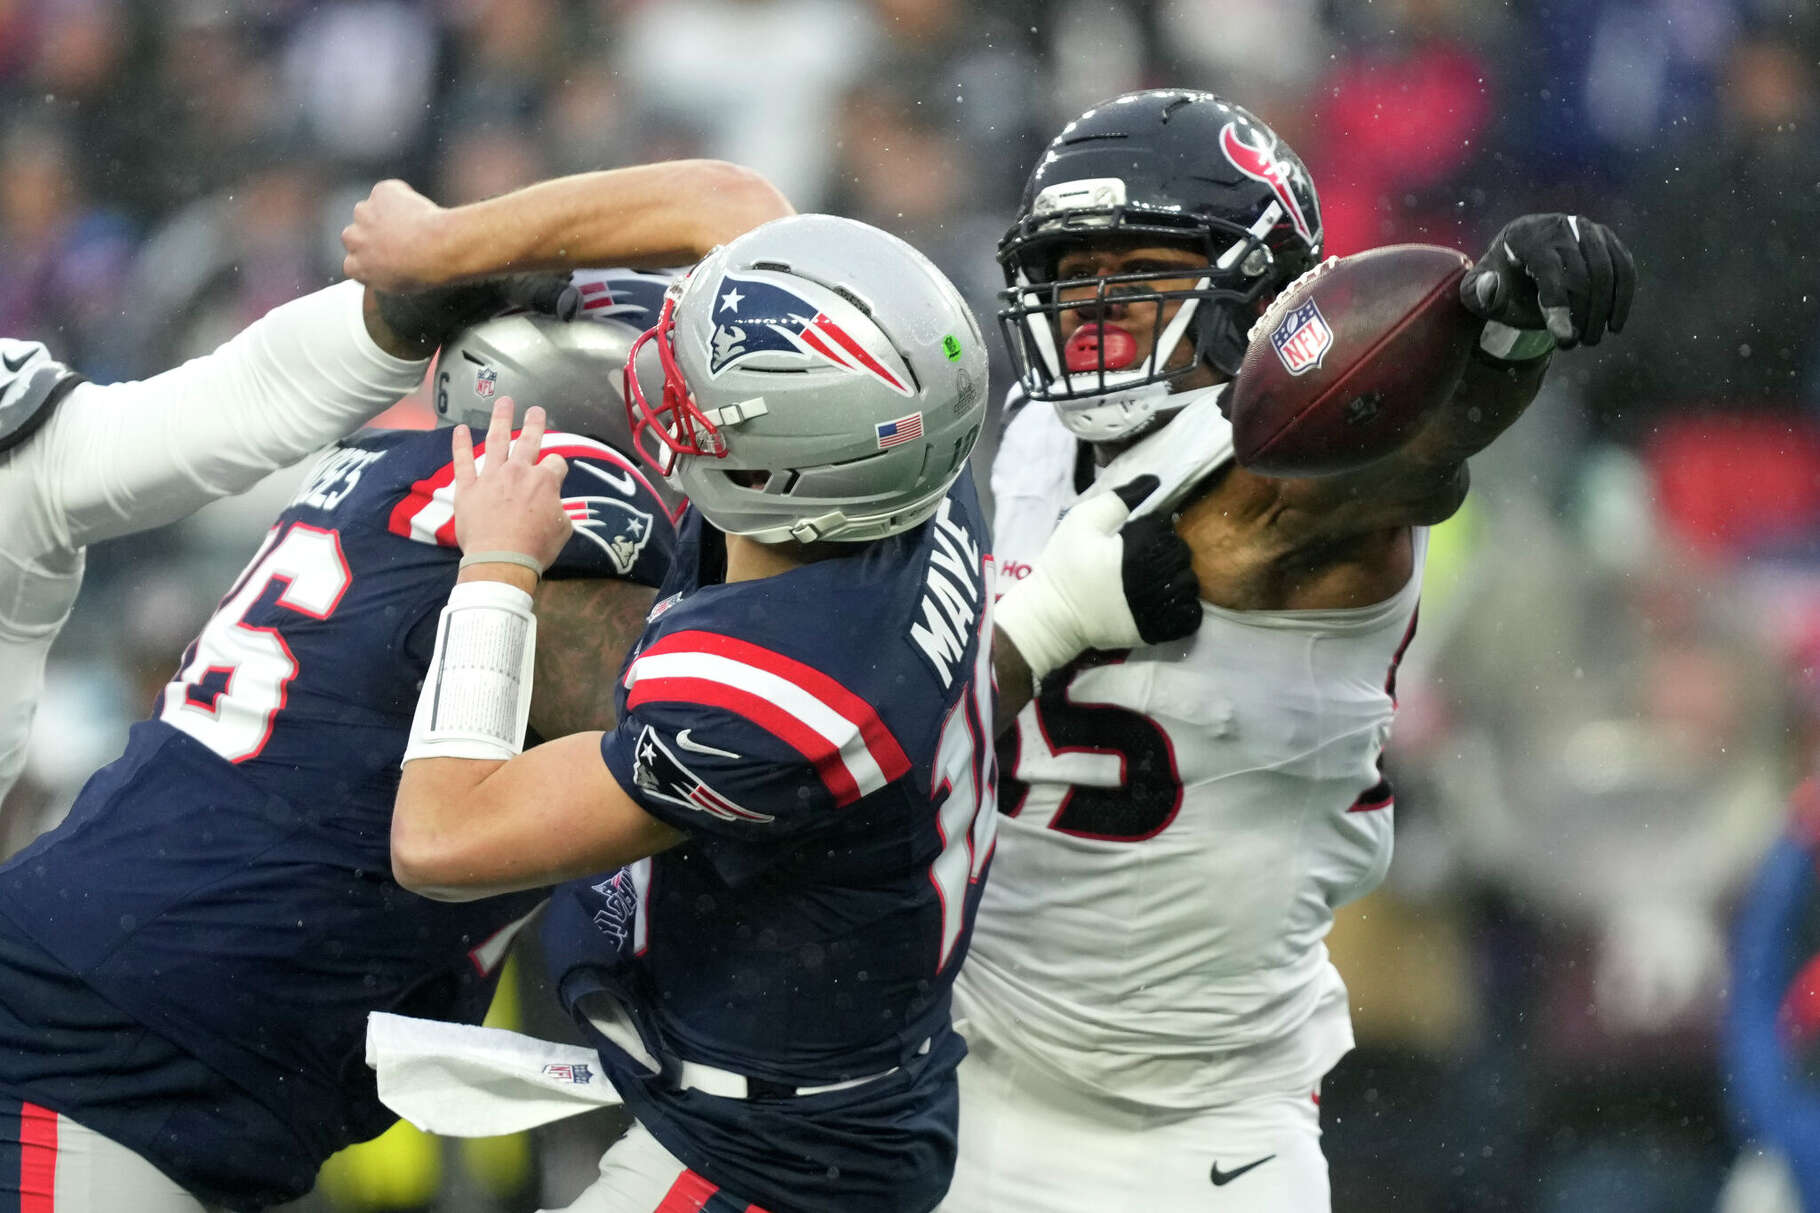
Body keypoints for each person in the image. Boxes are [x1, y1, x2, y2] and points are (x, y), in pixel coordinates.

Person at [0, 160, 795, 1212]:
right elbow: (731, 728)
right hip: (113, 1054)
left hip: (151, 1018)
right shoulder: (562, 502)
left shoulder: (383, 471)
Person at [377, 210, 1193, 1213]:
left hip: (761, 1155)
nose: (663, 392)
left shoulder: (776, 690)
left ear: (778, 471)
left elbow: (440, 835)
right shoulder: (911, 476)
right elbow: (731, 205)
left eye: (696, 396)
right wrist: (479, 243)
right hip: (830, 1080)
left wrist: (496, 562)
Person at [938, 88, 1636, 1212]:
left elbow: (1417, 444)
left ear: (1258, 294)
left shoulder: (1311, 482)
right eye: (1073, 270)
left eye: (1137, 267)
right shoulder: (1027, 436)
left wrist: (1500, 331)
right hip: (963, 1081)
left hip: (1195, 1135)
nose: (1089, 305)